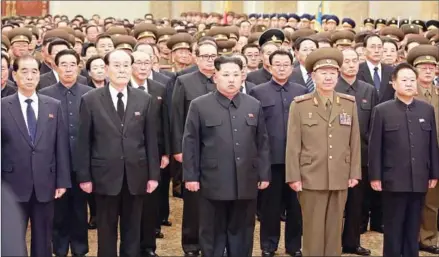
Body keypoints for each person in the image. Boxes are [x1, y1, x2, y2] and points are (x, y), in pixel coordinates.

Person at [75, 49, 160, 257]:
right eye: (116, 65)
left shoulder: (144, 99)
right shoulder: (90, 99)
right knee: (106, 229)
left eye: (125, 65)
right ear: (106, 69)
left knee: (133, 229)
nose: (121, 70)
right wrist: (84, 177)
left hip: (136, 174)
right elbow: (84, 142)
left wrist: (153, 175)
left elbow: (151, 140)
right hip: (104, 176)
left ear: (131, 68)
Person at [183, 55, 270, 257]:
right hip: (212, 180)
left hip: (245, 180)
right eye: (226, 74)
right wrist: (191, 176)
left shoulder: (253, 105)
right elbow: (190, 142)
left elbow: (262, 142)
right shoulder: (199, 105)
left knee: (242, 230)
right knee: (212, 231)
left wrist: (264, 174)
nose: (231, 79)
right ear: (215, 77)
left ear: (243, 77)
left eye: (236, 75)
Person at [286, 47, 361, 256]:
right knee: (313, 229)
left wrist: (354, 171)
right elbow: (293, 144)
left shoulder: (348, 103)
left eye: (332, 73)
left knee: (335, 229)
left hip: (339, 174)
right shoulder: (300, 105)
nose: (328, 77)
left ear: (338, 75)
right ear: (313, 76)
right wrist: (293, 176)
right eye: (323, 73)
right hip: (311, 175)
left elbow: (354, 140)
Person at [1, 55, 71, 257]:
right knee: (13, 236)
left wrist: (62, 181)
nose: (30, 76)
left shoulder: (53, 105)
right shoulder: (3, 107)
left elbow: (61, 146)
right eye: (24, 71)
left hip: (45, 183)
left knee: (43, 238)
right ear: (15, 75)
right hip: (12, 184)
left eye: (34, 72)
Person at [368, 63, 439, 257]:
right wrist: (375, 176)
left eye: (411, 80)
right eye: (404, 80)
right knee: (393, 226)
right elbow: (375, 147)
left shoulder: (426, 110)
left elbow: (432, 144)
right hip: (393, 179)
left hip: (419, 177)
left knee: (413, 225)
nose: (409, 84)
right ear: (393, 84)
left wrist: (433, 172)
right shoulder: (382, 110)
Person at [249, 50, 306, 257]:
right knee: (270, 208)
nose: (282, 68)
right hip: (270, 159)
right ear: (269, 67)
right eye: (277, 64)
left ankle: (294, 246)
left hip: (297, 160)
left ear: (292, 67)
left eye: (286, 64)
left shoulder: (301, 91)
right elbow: (255, 128)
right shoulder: (258, 92)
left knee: (296, 207)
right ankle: (268, 245)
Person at [38, 49, 91, 257]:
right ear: (55, 67)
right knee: (58, 210)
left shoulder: (89, 93)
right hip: (54, 162)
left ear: (79, 66)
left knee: (79, 209)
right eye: (64, 64)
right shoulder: (45, 94)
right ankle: (59, 249)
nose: (68, 69)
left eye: (72, 64)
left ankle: (80, 249)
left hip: (81, 161)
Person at [171, 41, 218, 257]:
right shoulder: (184, 82)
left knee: (216, 199)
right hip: (192, 149)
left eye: (213, 56)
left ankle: (213, 241)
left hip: (217, 150)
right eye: (205, 56)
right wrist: (178, 149)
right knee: (193, 200)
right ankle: (191, 244)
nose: (209, 60)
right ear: (196, 58)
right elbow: (176, 118)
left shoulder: (224, 79)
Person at [335, 48, 378, 256]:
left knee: (357, 203)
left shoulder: (368, 90)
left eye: (354, 60)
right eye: (347, 61)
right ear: (339, 65)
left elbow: (374, 125)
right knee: (335, 203)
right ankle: (331, 241)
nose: (351, 64)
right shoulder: (332, 87)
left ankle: (352, 242)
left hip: (360, 156)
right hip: (335, 156)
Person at [129, 50, 171, 257]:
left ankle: (148, 246)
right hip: (128, 155)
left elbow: (165, 123)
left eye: (147, 62)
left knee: (151, 201)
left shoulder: (160, 89)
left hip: (153, 154)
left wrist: (165, 153)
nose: (143, 67)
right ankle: (130, 245)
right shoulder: (122, 88)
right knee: (130, 203)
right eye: (138, 63)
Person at [357, 35, 394, 232]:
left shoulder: (392, 71)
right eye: (373, 46)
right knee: (364, 179)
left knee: (383, 175)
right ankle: (362, 221)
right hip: (364, 129)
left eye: (380, 46)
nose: (378, 50)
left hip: (387, 129)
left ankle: (379, 220)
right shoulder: (358, 70)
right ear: (364, 50)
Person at [406, 45, 439, 254]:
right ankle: (410, 236)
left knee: (432, 201)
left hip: (436, 153)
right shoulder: (408, 92)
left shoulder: (437, 93)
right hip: (413, 153)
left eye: (431, 67)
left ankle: (427, 237)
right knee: (412, 198)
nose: (428, 71)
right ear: (415, 69)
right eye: (423, 67)